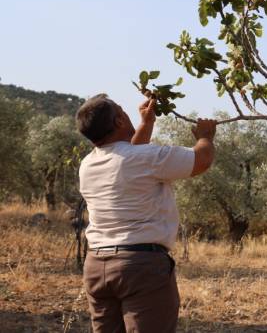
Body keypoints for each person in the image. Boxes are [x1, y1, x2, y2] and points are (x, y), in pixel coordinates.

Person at [75, 94, 216, 332]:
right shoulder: (146, 157)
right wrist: (205, 136)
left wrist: (146, 124)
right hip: (140, 267)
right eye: (122, 110)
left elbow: (129, 156)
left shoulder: (88, 164)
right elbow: (201, 160)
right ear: (119, 121)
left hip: (97, 266)